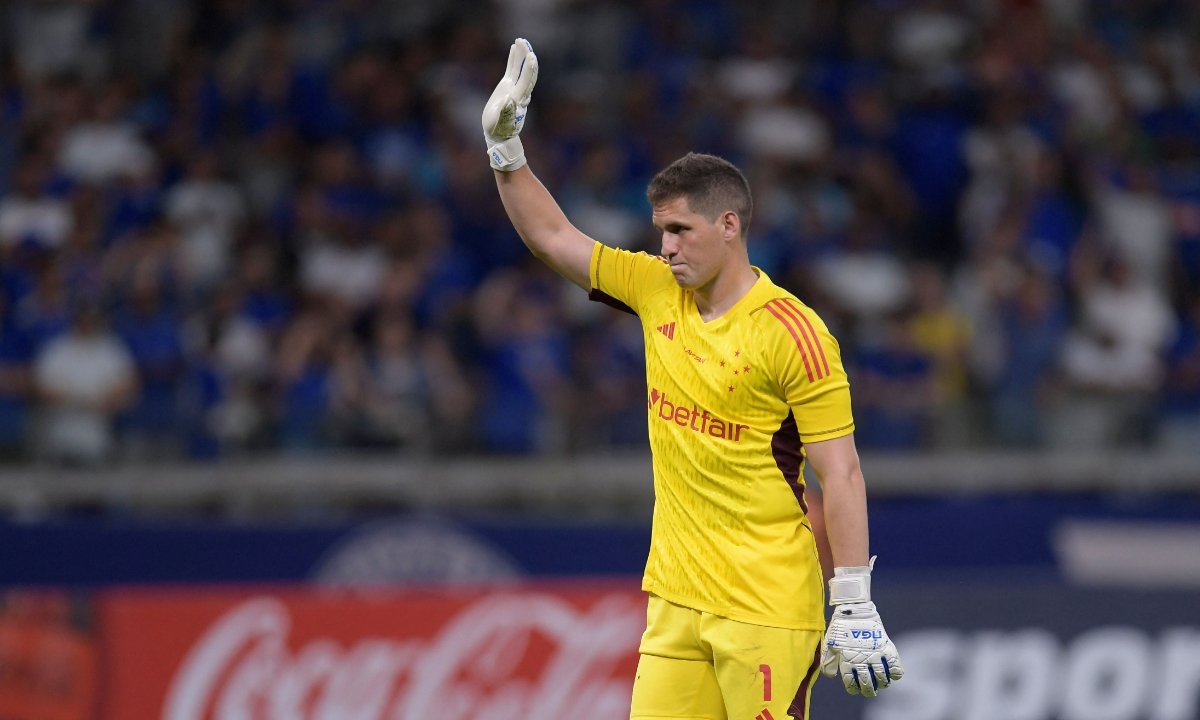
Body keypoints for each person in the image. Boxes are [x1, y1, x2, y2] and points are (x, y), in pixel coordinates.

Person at [483, 39, 904, 718]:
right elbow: (553, 237)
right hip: (676, 605)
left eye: (680, 230)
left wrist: (851, 599)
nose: (665, 247)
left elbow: (842, 472)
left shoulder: (793, 332)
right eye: (660, 231)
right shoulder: (654, 289)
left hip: (767, 608)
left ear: (729, 225)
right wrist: (505, 152)